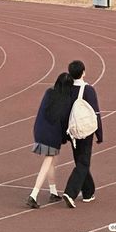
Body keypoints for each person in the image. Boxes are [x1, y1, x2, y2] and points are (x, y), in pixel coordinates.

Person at [26, 72, 74, 209]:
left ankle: (53, 191)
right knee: (48, 162)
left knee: (52, 160)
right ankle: (33, 195)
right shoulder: (67, 100)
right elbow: (65, 122)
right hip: (52, 134)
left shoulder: (49, 93)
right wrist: (67, 138)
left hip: (39, 129)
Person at [62, 60, 103, 208]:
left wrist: (64, 134)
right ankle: (70, 192)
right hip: (86, 131)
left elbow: (64, 112)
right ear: (84, 72)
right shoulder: (89, 90)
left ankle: (88, 192)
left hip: (72, 131)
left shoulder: (67, 88)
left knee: (80, 160)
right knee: (84, 162)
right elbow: (96, 113)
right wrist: (100, 134)